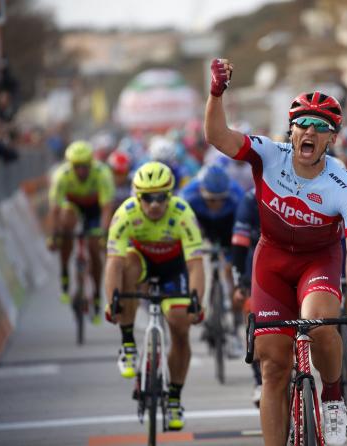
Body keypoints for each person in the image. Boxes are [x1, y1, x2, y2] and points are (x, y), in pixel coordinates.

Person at [204, 58, 347, 446]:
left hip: (318, 261)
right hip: (273, 261)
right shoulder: (267, 154)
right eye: (303, 125)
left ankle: (332, 395)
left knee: (319, 322)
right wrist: (216, 93)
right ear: (291, 130)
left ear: (332, 138)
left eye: (322, 128)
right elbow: (217, 136)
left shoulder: (343, 184)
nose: (310, 132)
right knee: (274, 368)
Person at [104, 161, 204, 431]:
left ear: (170, 195)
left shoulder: (183, 213)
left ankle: (174, 397)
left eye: (161, 196)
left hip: (175, 269)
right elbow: (113, 263)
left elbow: (195, 264)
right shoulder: (124, 214)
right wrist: (111, 300)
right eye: (148, 198)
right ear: (137, 196)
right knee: (127, 262)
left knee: (180, 325)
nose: (155, 204)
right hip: (142, 266)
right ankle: (127, 342)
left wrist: (197, 301)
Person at [180, 164, 245, 357]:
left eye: (220, 199)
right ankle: (204, 305)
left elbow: (242, 226)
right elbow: (182, 226)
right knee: (192, 263)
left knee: (232, 270)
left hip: (228, 226)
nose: (216, 204)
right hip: (201, 224)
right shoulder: (188, 195)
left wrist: (233, 254)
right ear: (201, 191)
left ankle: (233, 328)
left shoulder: (236, 195)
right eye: (211, 200)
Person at [47, 140, 115, 322]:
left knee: (94, 248)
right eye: (77, 167)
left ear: (91, 163)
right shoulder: (61, 175)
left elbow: (107, 207)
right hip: (74, 209)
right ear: (71, 165)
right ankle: (64, 272)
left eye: (85, 166)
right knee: (66, 220)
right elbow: (54, 209)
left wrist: (103, 233)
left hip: (95, 210)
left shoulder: (102, 173)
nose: (82, 171)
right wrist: (54, 236)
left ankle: (97, 294)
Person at [230, 187, 263, 406]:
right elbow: (240, 242)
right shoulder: (251, 198)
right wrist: (240, 280)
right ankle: (259, 381)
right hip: (259, 256)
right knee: (254, 316)